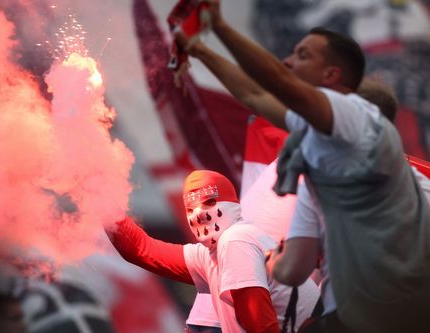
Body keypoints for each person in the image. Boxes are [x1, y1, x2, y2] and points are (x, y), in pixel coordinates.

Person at [173, 2, 430, 332]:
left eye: (303, 56)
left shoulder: (360, 119)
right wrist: (199, 49)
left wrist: (217, 27)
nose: (289, 62)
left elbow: (270, 87)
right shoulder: (316, 180)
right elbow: (293, 270)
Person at [105, 170, 319, 333]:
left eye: (209, 202)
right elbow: (141, 250)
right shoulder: (211, 254)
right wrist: (97, 198)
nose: (198, 214)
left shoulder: (236, 240)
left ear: (231, 204)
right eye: (190, 209)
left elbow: (258, 323)